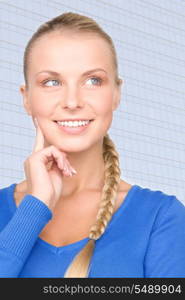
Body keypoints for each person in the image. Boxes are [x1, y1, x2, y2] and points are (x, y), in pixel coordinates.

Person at [0, 12, 185, 278]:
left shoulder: (161, 218)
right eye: (52, 82)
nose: (72, 101)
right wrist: (35, 208)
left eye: (93, 81)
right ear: (26, 98)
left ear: (116, 94)